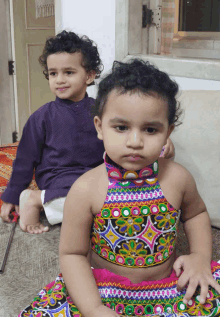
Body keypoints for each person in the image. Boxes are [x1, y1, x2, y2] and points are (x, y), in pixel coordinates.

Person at [19, 58, 220, 316]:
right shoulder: (85, 189)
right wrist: (93, 308)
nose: (134, 141)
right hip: (100, 290)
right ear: (100, 128)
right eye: (121, 127)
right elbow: (72, 254)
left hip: (170, 287)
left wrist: (200, 259)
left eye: (150, 129)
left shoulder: (178, 178)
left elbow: (196, 214)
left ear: (167, 133)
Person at [0, 30, 105, 234]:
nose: (59, 80)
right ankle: (35, 199)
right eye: (53, 73)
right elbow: (24, 160)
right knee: (81, 202)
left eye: (69, 72)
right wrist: (11, 197)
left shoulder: (103, 111)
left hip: (95, 177)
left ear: (90, 75)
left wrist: (162, 144)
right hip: (59, 178)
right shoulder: (42, 117)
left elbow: (124, 132)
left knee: (118, 200)